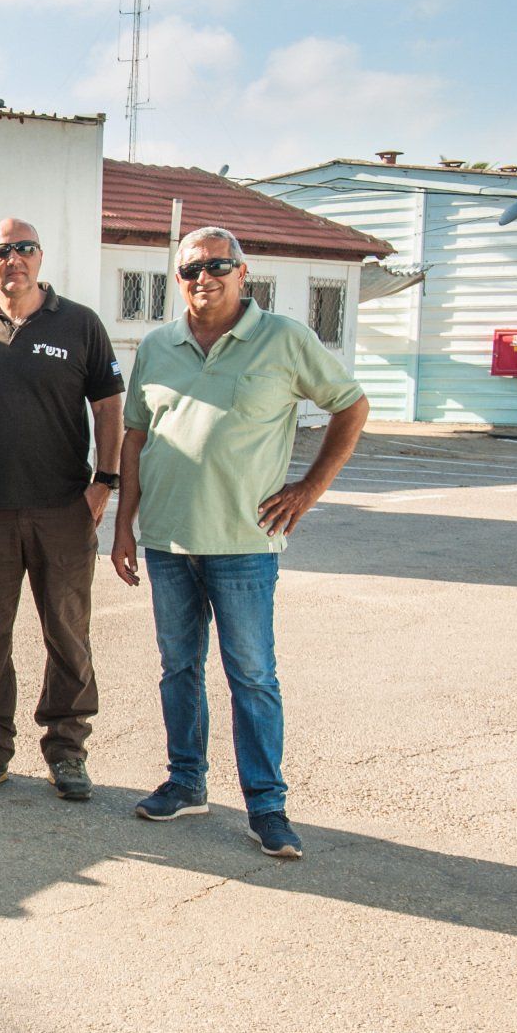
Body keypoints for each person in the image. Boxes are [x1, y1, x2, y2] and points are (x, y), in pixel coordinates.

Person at [111, 226, 369, 859]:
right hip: (168, 541)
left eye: (218, 265)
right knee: (179, 669)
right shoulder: (158, 345)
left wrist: (309, 489)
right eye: (192, 269)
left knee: (252, 675)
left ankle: (267, 806)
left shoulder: (285, 338)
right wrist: (123, 524)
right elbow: (137, 438)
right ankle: (186, 782)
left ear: (242, 271)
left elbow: (351, 405)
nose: (206, 277)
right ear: (178, 279)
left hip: (244, 543)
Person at [0, 218, 124, 801]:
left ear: (41, 257)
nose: (13, 259)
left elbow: (108, 406)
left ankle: (67, 752)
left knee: (67, 634)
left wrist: (106, 481)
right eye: (1, 250)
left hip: (62, 509)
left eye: (24, 249)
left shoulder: (79, 324)